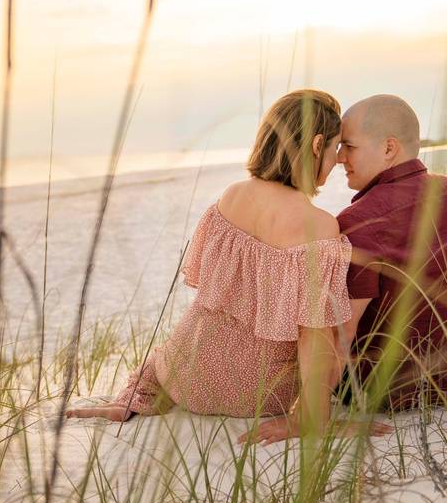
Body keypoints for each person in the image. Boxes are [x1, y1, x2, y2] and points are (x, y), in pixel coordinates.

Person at [67, 89, 389, 436]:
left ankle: (135, 398)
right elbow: (315, 335)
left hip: (183, 375)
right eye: (336, 146)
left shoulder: (231, 197)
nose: (340, 158)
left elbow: (211, 298)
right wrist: (312, 417)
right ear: (315, 145)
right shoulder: (319, 225)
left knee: (178, 341)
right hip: (260, 391)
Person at [243, 94, 447, 445]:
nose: (340, 157)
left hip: (382, 389)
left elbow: (341, 334)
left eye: (349, 146)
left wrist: (305, 415)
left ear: (389, 148)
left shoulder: (361, 221)